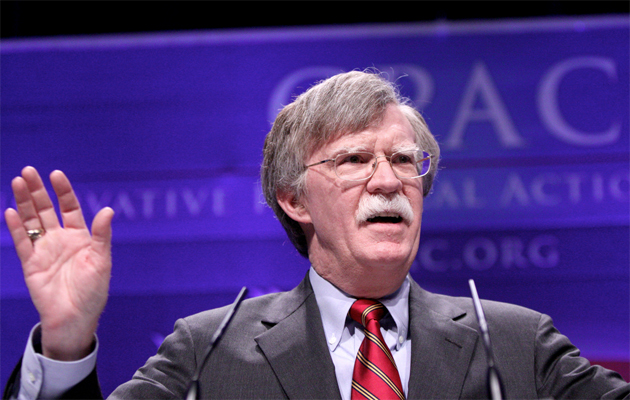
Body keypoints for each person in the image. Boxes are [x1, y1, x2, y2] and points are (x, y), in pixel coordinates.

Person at [3, 70, 629, 399]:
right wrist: (65, 343)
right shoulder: (209, 353)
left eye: (404, 160)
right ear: (294, 198)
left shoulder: (515, 344)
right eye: (355, 160)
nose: (388, 180)